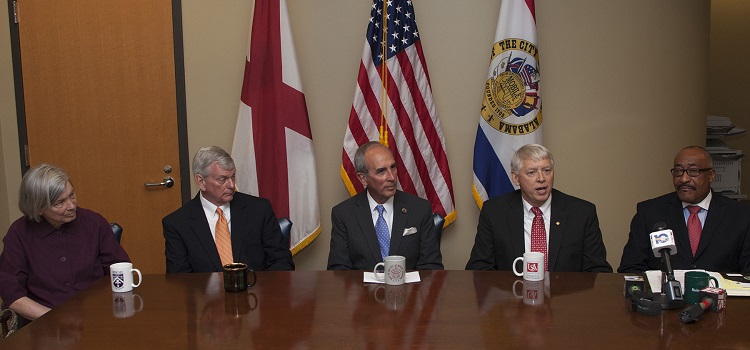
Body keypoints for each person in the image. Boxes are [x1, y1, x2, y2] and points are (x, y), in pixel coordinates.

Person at [0, 164, 129, 324]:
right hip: (45, 322)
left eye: (72, 195)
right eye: (59, 203)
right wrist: (55, 318)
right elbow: (12, 293)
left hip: (96, 318)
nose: (71, 205)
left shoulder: (94, 223)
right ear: (38, 208)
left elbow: (120, 269)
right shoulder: (19, 233)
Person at [466, 144, 612, 272]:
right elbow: (479, 267)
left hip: (566, 300)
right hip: (511, 299)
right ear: (516, 178)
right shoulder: (494, 212)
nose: (541, 178)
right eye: (532, 172)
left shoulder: (582, 213)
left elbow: (598, 270)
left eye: (547, 170)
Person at [618, 146, 750, 273]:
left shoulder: (741, 215)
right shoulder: (649, 212)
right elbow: (630, 267)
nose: (684, 179)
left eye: (693, 171)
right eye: (678, 171)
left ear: (711, 175)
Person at [162, 146, 293, 273]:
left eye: (233, 177)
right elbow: (180, 280)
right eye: (223, 179)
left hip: (256, 292)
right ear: (201, 181)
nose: (232, 185)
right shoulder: (177, 224)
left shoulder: (259, 210)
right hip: (206, 294)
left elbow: (281, 261)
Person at [328, 141, 443, 271]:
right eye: (381, 171)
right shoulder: (343, 214)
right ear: (363, 178)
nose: (392, 177)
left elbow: (432, 267)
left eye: (393, 167)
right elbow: (339, 271)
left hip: (410, 290)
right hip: (363, 290)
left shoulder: (419, 209)